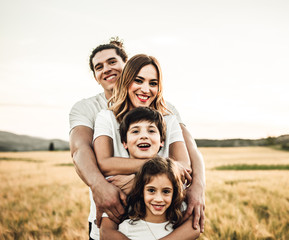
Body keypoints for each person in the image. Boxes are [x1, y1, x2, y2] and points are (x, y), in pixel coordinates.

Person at [69, 38, 205, 239]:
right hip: (116, 214)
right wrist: (163, 170)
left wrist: (138, 181)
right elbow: (89, 155)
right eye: (99, 67)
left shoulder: (168, 113)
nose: (107, 69)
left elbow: (188, 157)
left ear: (126, 67)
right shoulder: (98, 113)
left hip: (167, 223)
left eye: (112, 62)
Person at [99, 107, 199, 239]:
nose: (144, 136)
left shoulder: (171, 176)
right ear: (124, 143)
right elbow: (106, 231)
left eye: (151, 130)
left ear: (162, 142)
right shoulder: (119, 183)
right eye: (135, 131)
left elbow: (194, 227)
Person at [102, 156, 199, 240]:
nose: (158, 199)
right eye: (151, 190)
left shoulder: (179, 229)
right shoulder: (126, 228)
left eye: (166, 191)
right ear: (141, 192)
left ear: (174, 193)